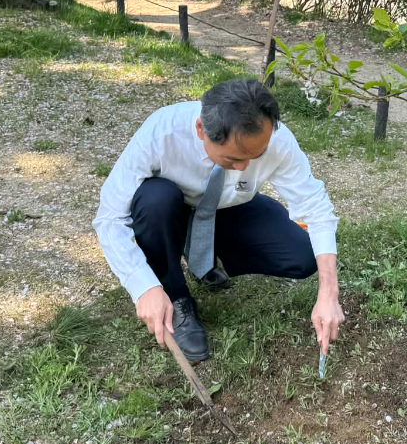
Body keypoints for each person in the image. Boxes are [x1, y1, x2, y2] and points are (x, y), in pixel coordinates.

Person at [93, 78, 343, 363]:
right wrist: (143, 286)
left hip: (228, 207)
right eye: (233, 159)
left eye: (256, 156)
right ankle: (174, 295)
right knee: (155, 199)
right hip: (167, 209)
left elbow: (315, 207)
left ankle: (204, 252)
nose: (244, 167)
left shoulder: (276, 138)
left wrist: (329, 292)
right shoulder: (162, 133)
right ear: (201, 130)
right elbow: (110, 217)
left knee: (302, 255)